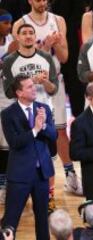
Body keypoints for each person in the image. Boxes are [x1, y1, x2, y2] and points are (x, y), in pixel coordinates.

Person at [12, 0, 83, 211]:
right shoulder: (20, 23)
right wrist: (44, 46)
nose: (42, 2)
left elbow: (65, 56)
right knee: (28, 134)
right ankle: (22, 184)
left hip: (53, 82)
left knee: (60, 130)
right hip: (27, 85)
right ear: (30, 1)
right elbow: (19, 54)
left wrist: (55, 45)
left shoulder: (58, 20)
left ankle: (70, 174)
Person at [1, 75, 57, 240]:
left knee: (42, 221)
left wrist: (44, 125)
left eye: (34, 85)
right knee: (10, 222)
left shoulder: (43, 108)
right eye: (29, 87)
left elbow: (53, 136)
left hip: (42, 175)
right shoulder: (8, 114)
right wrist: (34, 130)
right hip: (19, 176)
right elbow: (15, 142)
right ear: (19, 92)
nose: (34, 89)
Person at [51, 0, 87, 117]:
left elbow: (79, 15)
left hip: (71, 38)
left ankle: (78, 116)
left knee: (73, 79)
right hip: (55, 34)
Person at [0, 9, 16, 204]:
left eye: (10, 22)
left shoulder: (13, 39)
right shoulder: (10, 45)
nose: (9, 26)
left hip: (8, 98)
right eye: (5, 22)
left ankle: (4, 184)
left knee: (6, 146)